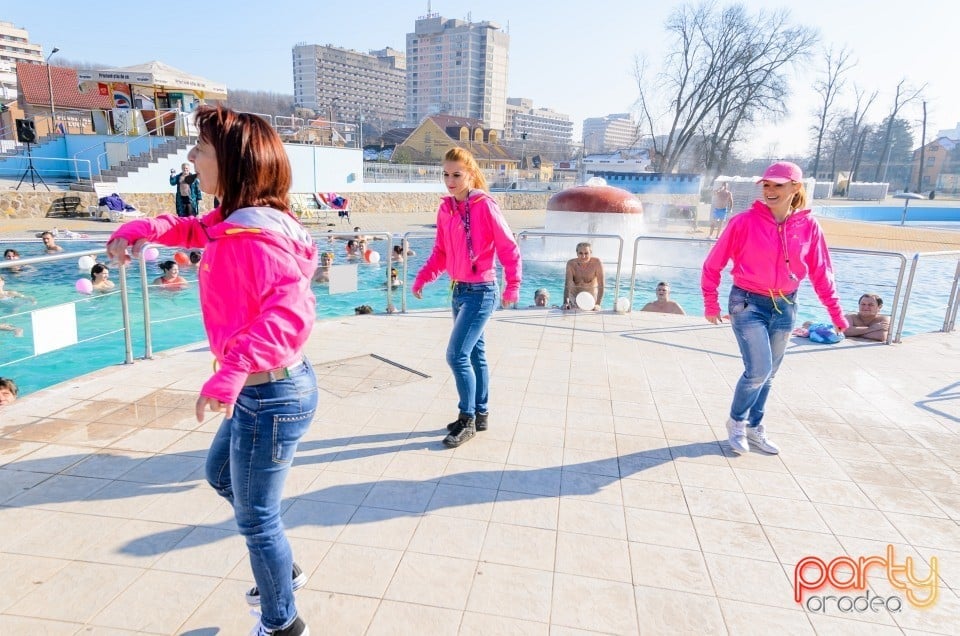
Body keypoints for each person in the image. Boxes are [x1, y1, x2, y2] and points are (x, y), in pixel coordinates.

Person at [107, 105, 317, 636]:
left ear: (232, 162)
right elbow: (188, 229)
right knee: (221, 476)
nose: (192, 157)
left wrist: (230, 372)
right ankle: (281, 573)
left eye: (200, 149)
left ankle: (282, 622)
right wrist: (142, 229)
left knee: (255, 518)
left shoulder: (258, 239)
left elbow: (290, 318)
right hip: (263, 388)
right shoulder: (235, 223)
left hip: (271, 392)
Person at [702, 161, 848, 456]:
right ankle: (737, 421)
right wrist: (710, 302)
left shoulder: (808, 226)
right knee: (758, 370)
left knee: (769, 374)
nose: (769, 190)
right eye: (766, 185)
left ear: (795, 188)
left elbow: (822, 272)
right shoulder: (743, 222)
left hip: (785, 305)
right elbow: (712, 264)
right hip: (747, 302)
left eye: (777, 185)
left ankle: (755, 427)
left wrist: (836, 313)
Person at [412, 147, 522, 448]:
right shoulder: (446, 208)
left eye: (456, 175)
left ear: (470, 174)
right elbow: (441, 253)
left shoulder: (485, 206)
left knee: (456, 355)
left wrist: (513, 285)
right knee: (475, 354)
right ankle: (481, 413)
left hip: (482, 291)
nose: (450, 180)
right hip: (459, 290)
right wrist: (423, 277)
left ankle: (468, 418)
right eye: (446, 174)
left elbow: (508, 247)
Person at [563, 242, 604, 310]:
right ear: (577, 253)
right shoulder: (571, 264)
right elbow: (567, 284)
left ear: (590, 253)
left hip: (590, 296)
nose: (583, 256)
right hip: (574, 295)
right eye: (580, 253)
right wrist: (565, 302)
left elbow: (601, 285)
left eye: (586, 253)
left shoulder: (597, 263)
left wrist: (598, 304)